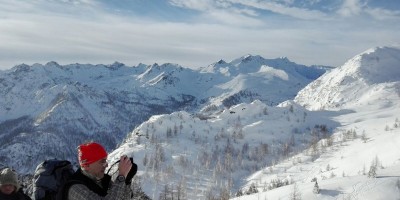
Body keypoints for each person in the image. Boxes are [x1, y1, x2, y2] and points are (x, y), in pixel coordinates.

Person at [65, 142, 133, 200]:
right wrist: (121, 176)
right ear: (87, 165)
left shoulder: (102, 179)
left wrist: (127, 179)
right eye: (102, 162)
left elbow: (124, 198)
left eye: (105, 161)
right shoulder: (76, 188)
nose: (106, 165)